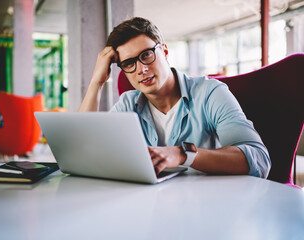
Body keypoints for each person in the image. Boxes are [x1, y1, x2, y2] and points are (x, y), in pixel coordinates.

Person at [79, 17, 271, 178]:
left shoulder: (210, 92)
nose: (142, 69)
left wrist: (184, 154)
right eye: (129, 63)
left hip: (210, 205)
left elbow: (259, 160)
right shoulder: (128, 104)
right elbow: (83, 150)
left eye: (146, 55)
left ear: (165, 51)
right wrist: (97, 81)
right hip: (150, 208)